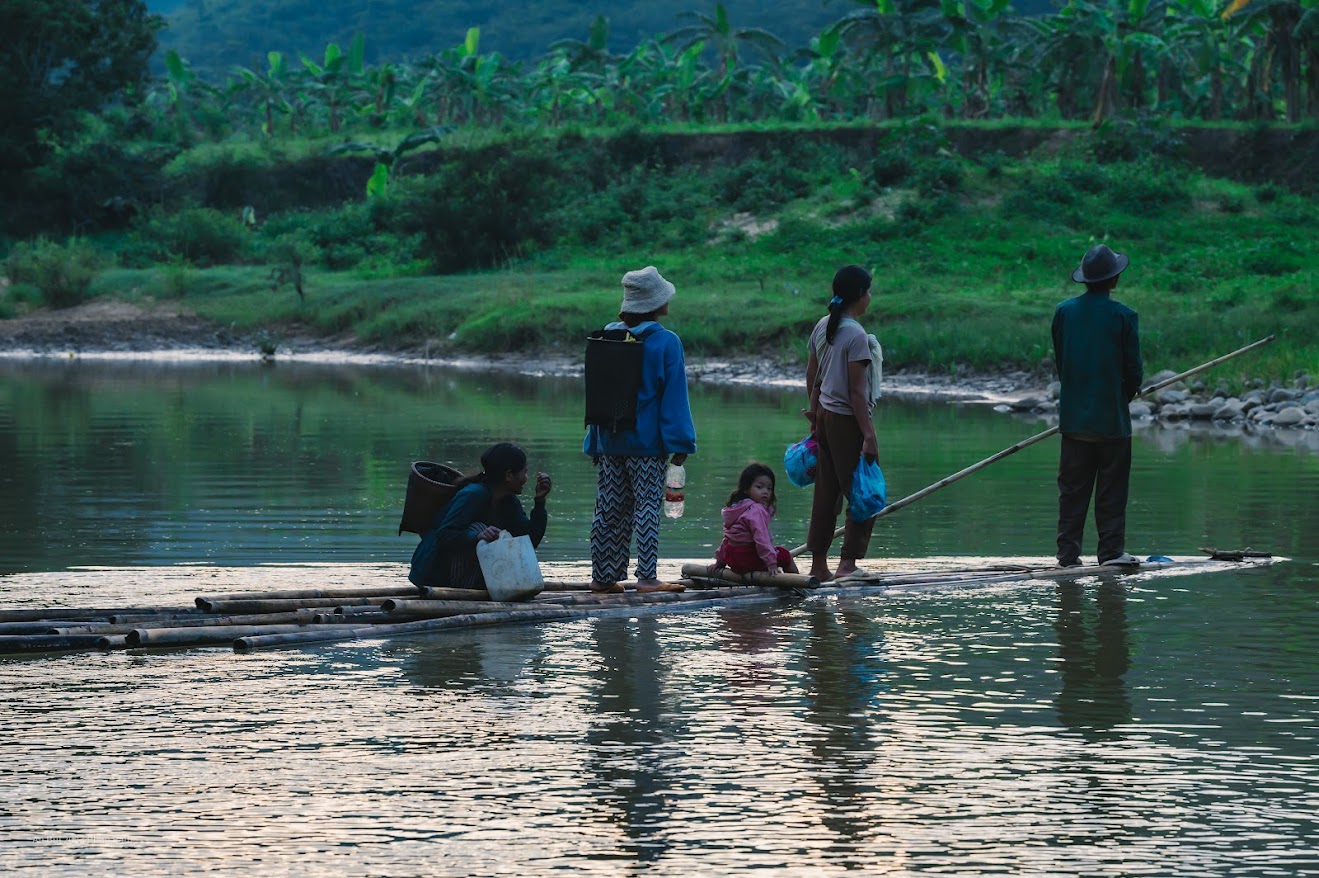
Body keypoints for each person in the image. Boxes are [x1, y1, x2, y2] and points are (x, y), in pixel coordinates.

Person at [584, 266, 697, 595]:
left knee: (608, 506)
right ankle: (646, 577)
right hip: (647, 445)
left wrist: (594, 443)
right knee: (647, 505)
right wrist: (681, 443)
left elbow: (597, 393)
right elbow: (673, 398)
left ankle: (602, 577)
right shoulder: (665, 341)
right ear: (655, 305)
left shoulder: (607, 335)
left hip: (609, 441)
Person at [1052, 243, 1143, 568]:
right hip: (1112, 424)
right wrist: (1127, 394)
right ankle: (1110, 554)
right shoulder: (1124, 316)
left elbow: (1063, 364)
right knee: (1112, 492)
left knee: (1072, 491)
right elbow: (1133, 371)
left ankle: (1067, 556)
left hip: (1075, 421)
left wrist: (1078, 395)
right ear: (1114, 280)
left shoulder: (1064, 312)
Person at [803, 265, 882, 582]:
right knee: (866, 491)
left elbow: (812, 374)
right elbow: (857, 393)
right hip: (846, 420)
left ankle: (819, 566)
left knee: (827, 492)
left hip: (824, 416)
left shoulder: (823, 326)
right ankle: (847, 564)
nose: (870, 297)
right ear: (860, 296)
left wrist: (813, 411)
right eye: (869, 291)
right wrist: (869, 435)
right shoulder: (856, 335)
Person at [408, 442, 551, 589]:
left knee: (500, 538)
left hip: (459, 572)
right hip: (434, 575)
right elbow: (444, 535)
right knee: (480, 529)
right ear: (509, 475)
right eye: (524, 472)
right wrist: (477, 536)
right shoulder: (473, 495)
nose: (526, 478)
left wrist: (539, 501)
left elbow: (528, 542)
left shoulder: (509, 502)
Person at [709, 462, 801, 577]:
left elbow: (728, 538)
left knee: (770, 553)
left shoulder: (736, 508)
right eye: (759, 487)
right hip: (748, 560)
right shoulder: (756, 510)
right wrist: (771, 563)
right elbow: (762, 539)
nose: (765, 492)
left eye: (769, 488)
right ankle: (799, 585)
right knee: (785, 555)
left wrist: (720, 561)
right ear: (746, 488)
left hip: (733, 559)